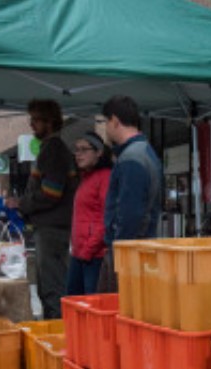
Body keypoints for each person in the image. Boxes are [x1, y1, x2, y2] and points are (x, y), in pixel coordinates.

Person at [6, 99, 77, 319]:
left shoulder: (54, 149)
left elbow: (52, 193)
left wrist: (21, 203)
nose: (31, 124)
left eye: (36, 119)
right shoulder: (50, 147)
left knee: (51, 288)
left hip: (52, 229)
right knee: (49, 287)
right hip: (50, 228)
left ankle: (57, 337)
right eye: (31, 119)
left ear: (50, 121)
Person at [99, 95, 163, 293]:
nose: (105, 128)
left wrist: (119, 251)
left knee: (115, 313)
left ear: (115, 121)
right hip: (136, 252)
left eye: (104, 122)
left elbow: (130, 212)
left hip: (129, 255)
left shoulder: (132, 158)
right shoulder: (142, 152)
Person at [67, 132, 112, 295]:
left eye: (84, 149)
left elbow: (106, 217)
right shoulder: (86, 178)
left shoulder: (105, 177)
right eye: (76, 150)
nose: (78, 154)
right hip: (80, 254)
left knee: (91, 305)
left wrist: (88, 249)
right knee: (73, 303)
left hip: (94, 256)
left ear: (99, 152)